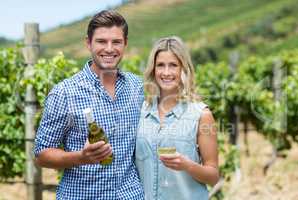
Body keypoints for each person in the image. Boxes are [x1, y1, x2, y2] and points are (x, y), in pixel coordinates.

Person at [34, 10, 144, 199]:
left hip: (131, 195)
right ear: (88, 43)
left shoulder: (138, 87)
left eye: (116, 42)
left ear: (125, 43)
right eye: (101, 41)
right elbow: (42, 154)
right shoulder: (65, 93)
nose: (109, 49)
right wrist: (81, 157)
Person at [135, 36, 219, 200]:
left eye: (173, 65)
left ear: (183, 69)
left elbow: (213, 176)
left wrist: (188, 165)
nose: (166, 72)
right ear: (153, 69)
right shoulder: (140, 112)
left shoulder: (201, 115)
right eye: (160, 65)